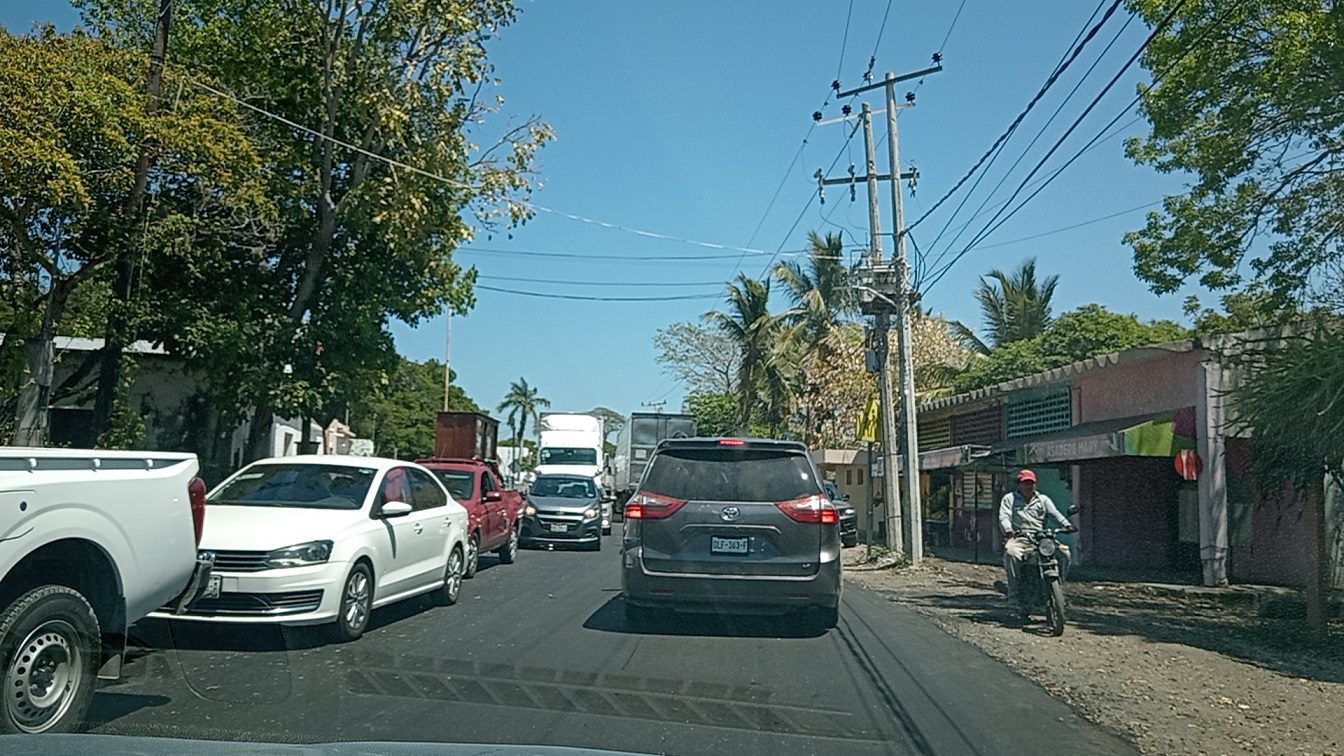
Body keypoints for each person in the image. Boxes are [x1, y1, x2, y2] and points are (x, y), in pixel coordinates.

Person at [999, 469, 1076, 609]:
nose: (1028, 486)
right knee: (1011, 553)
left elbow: (1055, 514)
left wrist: (1066, 525)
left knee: (1065, 553)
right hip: (1020, 537)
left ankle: (1058, 588)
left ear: (1035, 484)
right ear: (1018, 484)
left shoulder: (1043, 500)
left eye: (1031, 483)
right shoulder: (1009, 499)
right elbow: (1004, 516)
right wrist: (1008, 530)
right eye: (1025, 483)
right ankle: (1014, 595)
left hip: (1041, 538)